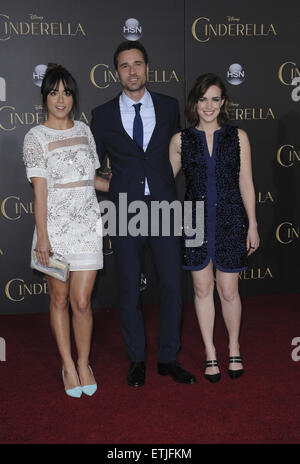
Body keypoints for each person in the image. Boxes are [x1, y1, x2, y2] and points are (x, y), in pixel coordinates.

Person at [91, 41, 196, 387]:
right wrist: (118, 188)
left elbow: (174, 154)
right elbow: (91, 170)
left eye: (137, 64)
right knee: (128, 291)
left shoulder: (168, 107)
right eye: (124, 66)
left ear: (148, 67)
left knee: (171, 287)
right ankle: (136, 359)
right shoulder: (102, 115)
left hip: (165, 209)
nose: (132, 71)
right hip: (124, 213)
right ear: (116, 72)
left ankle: (168, 358)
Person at [23, 64, 110, 397]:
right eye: (54, 92)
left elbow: (92, 181)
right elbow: (40, 191)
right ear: (44, 96)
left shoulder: (85, 130)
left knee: (83, 302)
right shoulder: (36, 137)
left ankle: (84, 361)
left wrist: (124, 185)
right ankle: (68, 366)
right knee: (59, 300)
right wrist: (42, 237)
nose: (61, 99)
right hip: (55, 232)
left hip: (88, 227)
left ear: (74, 96)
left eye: (67, 92)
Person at [169, 73, 260, 383]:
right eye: (203, 99)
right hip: (193, 221)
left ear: (224, 103)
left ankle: (234, 346)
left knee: (228, 291)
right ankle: (210, 352)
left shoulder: (238, 137)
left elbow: (246, 183)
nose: (209, 106)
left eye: (215, 99)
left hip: (231, 219)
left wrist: (253, 225)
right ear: (195, 102)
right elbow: (163, 181)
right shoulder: (181, 140)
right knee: (202, 289)